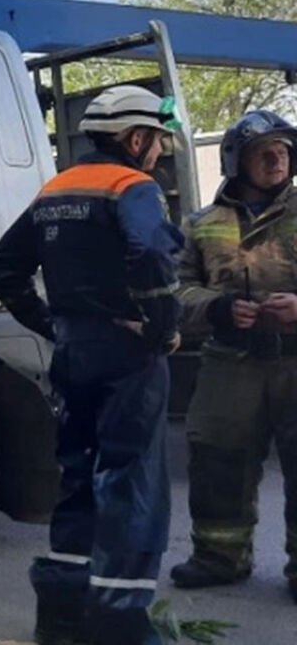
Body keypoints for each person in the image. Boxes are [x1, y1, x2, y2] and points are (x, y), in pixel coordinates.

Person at [0, 85, 184, 645]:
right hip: (129, 356)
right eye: (158, 139)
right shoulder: (132, 186)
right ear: (135, 138)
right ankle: (121, 627)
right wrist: (162, 328)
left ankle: (61, 619)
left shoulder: (55, 189)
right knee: (130, 484)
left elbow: (2, 269)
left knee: (77, 480)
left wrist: (53, 327)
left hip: (73, 352)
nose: (161, 151)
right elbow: (150, 253)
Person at [170, 110, 297, 601]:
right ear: (234, 160)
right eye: (264, 149)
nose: (277, 157)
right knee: (217, 461)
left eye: (284, 149)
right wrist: (217, 309)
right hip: (230, 363)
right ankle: (218, 558)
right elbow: (175, 291)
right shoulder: (201, 223)